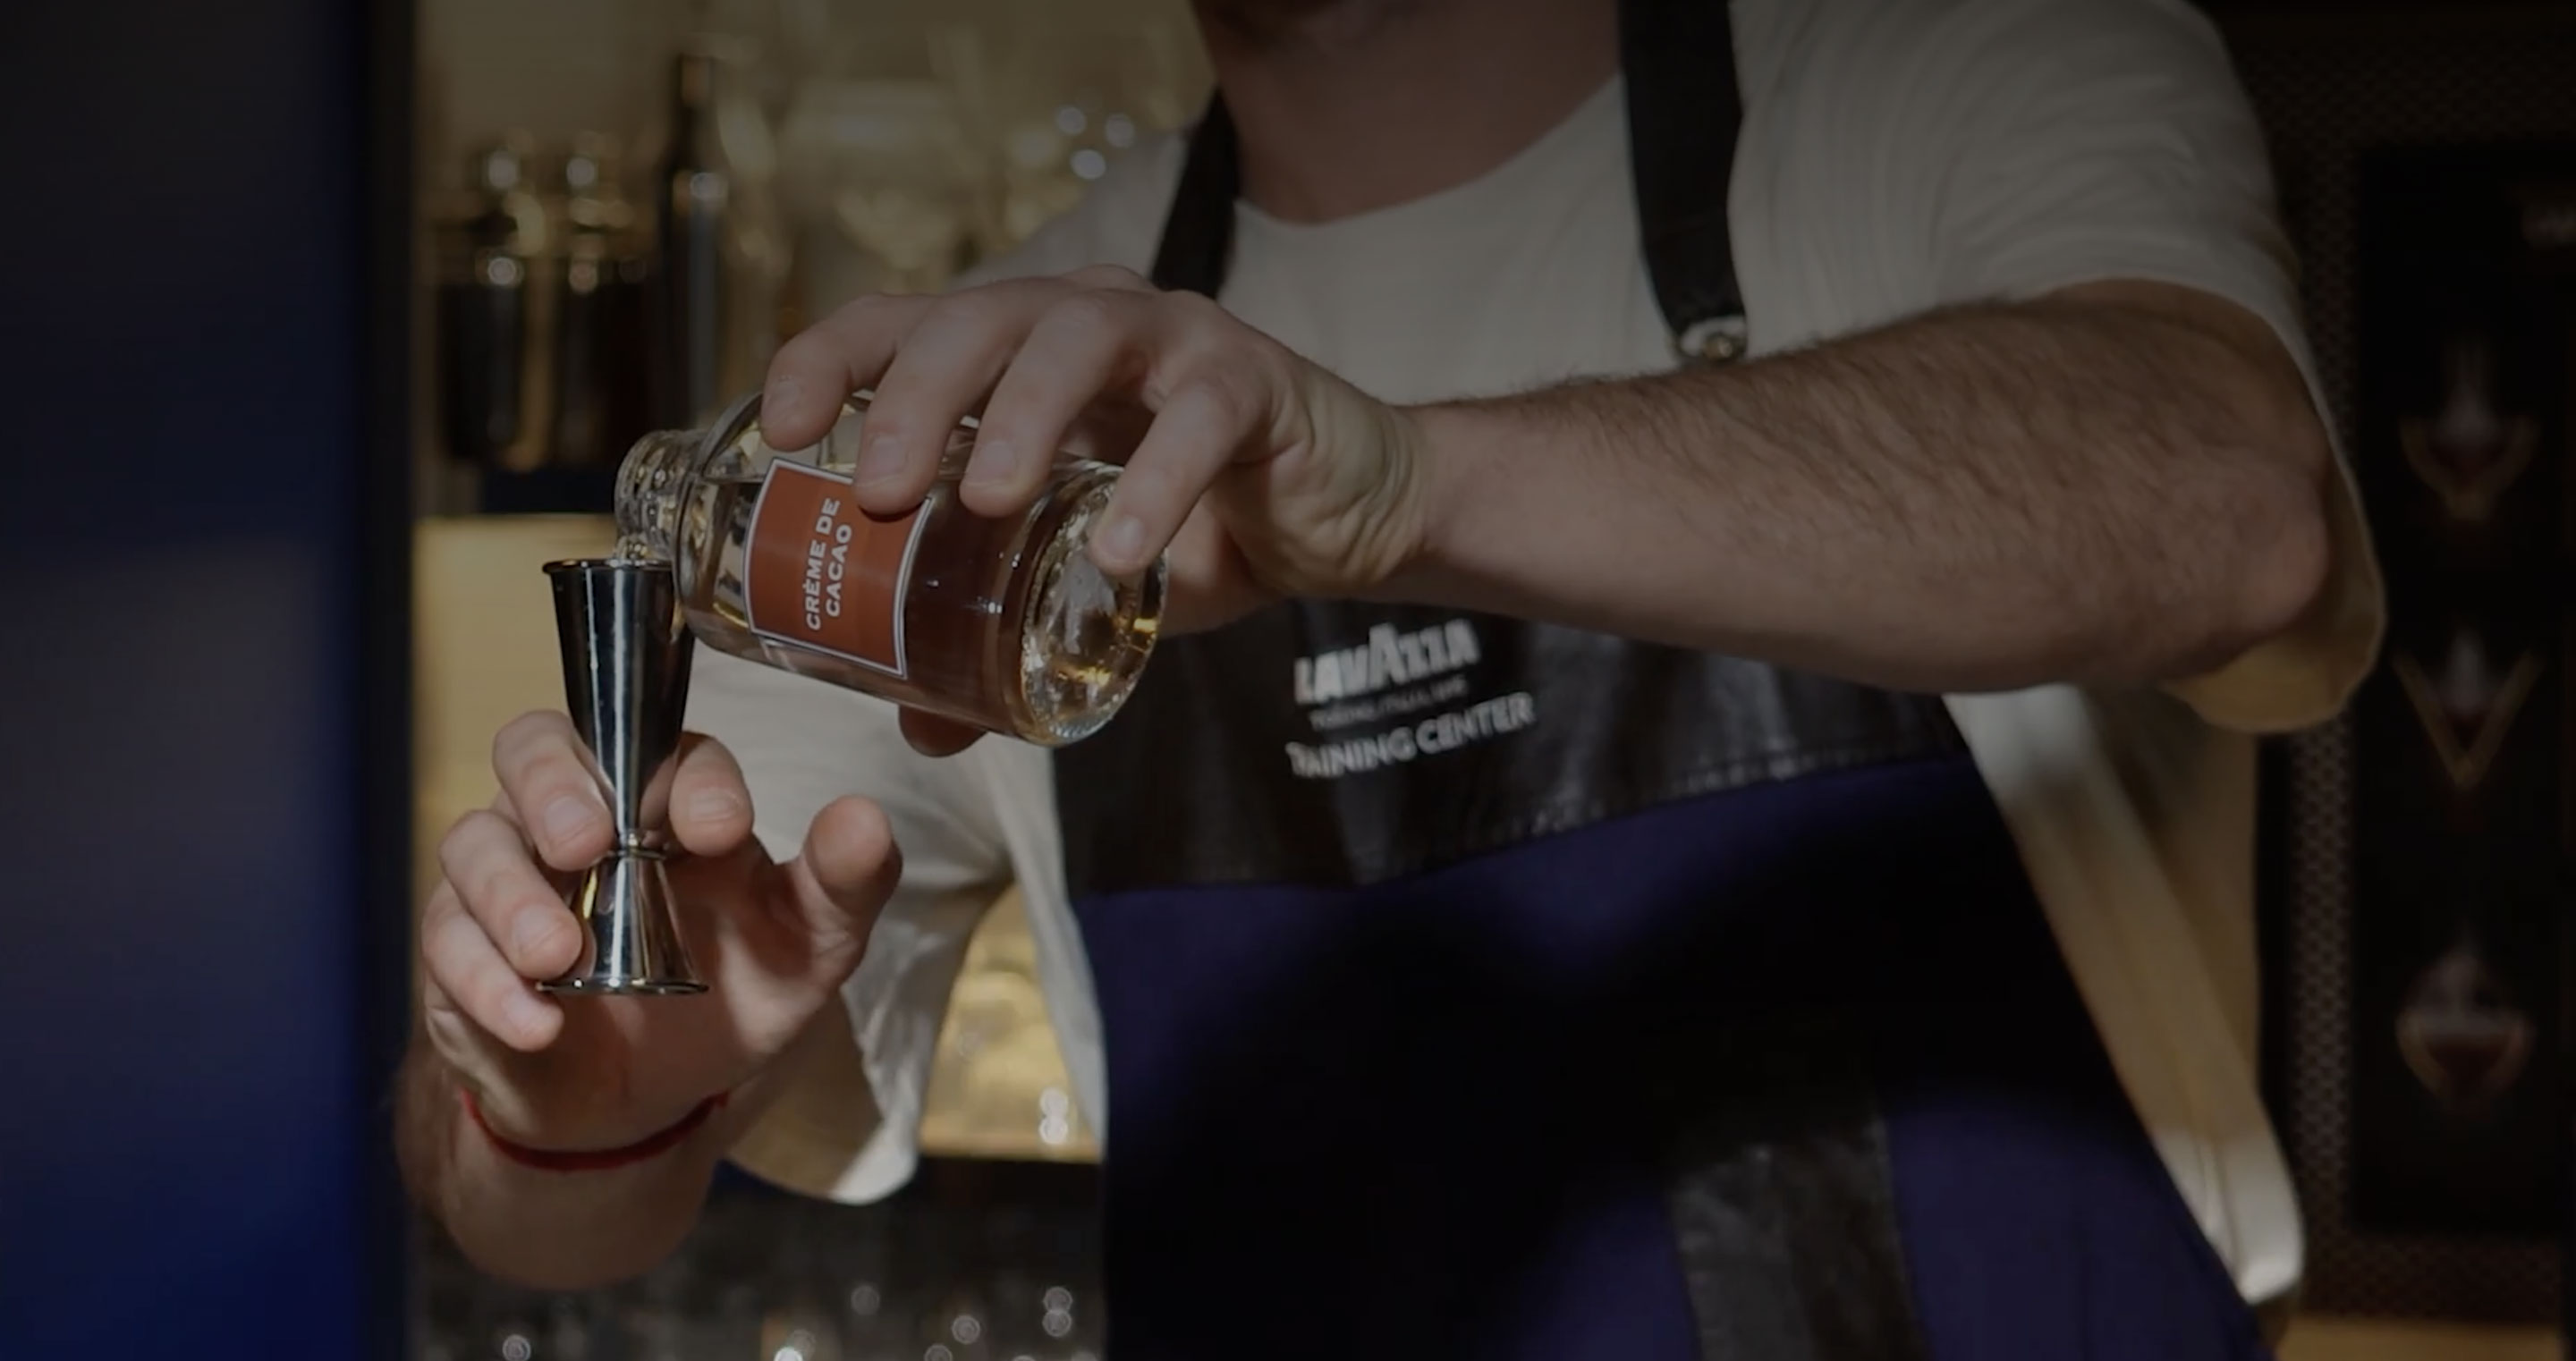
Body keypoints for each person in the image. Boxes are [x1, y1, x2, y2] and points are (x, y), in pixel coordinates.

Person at [398, 0, 2385, 1356]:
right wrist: (564, 1098)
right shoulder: (982, 403)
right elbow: (527, 1186)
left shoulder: (1959, 71)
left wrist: (1409, 485)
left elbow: (2234, 502)